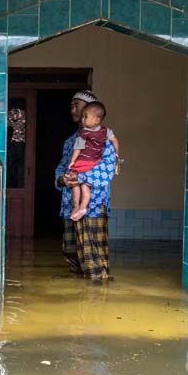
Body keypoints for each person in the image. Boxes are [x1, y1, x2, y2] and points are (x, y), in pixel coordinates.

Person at [54, 91, 117, 280]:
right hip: (69, 203)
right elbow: (63, 166)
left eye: (77, 105)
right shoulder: (70, 141)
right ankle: (77, 299)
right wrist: (61, 179)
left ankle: (97, 303)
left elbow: (109, 167)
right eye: (72, 105)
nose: (73, 110)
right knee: (71, 252)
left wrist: (82, 178)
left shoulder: (104, 139)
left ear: (91, 110)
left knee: (93, 259)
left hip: (93, 207)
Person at [66, 101, 119, 221]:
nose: (82, 119)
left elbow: (78, 148)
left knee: (75, 184)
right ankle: (82, 208)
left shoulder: (84, 133)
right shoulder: (106, 132)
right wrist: (117, 154)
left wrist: (72, 162)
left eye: (85, 116)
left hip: (83, 164)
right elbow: (115, 140)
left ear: (96, 120)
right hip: (92, 164)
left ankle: (77, 207)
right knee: (84, 186)